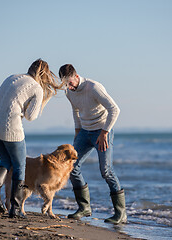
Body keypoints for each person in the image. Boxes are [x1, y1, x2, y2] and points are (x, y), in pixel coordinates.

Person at [0, 59, 62, 218]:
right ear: (44, 75)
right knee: (20, 166)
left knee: (5, 160)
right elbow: (30, 116)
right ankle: (16, 209)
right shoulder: (37, 88)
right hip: (9, 127)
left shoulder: (11, 77)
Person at [59, 64, 127, 224]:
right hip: (84, 132)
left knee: (106, 171)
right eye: (65, 84)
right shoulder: (68, 92)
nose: (68, 87)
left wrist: (104, 132)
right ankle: (84, 208)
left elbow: (115, 109)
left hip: (102, 131)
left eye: (70, 83)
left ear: (76, 76)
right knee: (71, 167)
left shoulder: (94, 87)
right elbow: (75, 111)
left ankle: (121, 214)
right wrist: (77, 133)